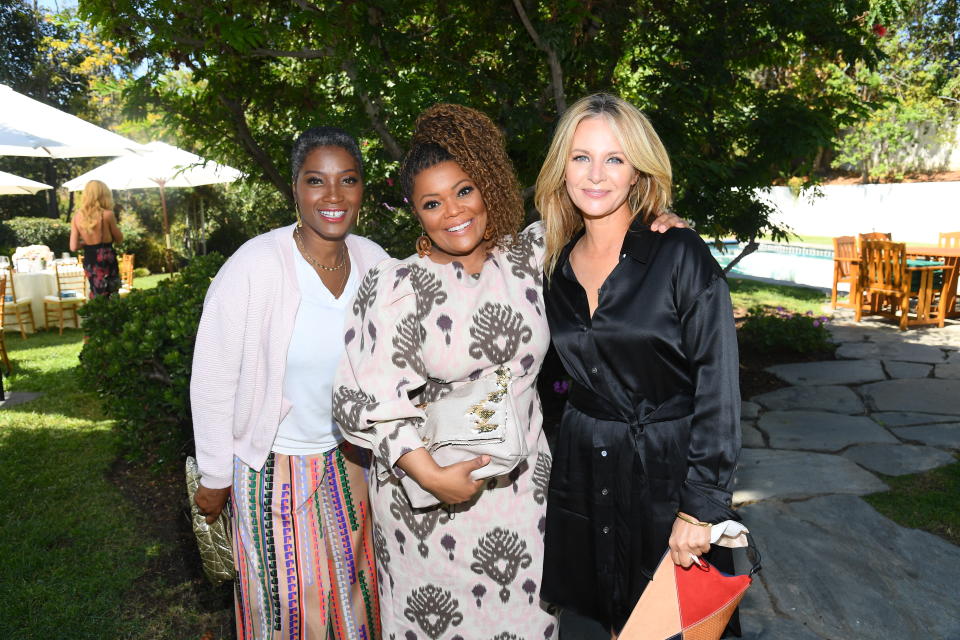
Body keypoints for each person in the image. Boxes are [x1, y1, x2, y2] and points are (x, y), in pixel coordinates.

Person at [332, 104, 685, 638]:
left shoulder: (528, 257)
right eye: (432, 202)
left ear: (488, 186)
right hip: (426, 510)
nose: (453, 212)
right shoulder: (394, 286)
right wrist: (431, 477)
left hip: (524, 499)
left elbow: (602, 204)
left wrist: (663, 226)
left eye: (464, 191)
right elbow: (369, 401)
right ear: (415, 212)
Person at [536, 93, 742, 636]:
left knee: (673, 626)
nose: (596, 174)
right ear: (562, 168)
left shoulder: (678, 254)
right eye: (581, 157)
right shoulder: (553, 264)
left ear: (637, 173)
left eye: (614, 159)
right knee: (590, 623)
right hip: (583, 474)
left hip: (667, 477)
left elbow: (717, 385)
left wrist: (702, 505)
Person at [190, 127, 386, 640]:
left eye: (348, 180)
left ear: (363, 188)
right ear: (295, 189)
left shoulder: (375, 262)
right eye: (316, 180)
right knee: (287, 606)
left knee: (354, 596)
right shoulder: (254, 266)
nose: (334, 196)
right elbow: (212, 377)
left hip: (351, 459)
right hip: (272, 462)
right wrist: (214, 476)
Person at [69, 179, 124, 298]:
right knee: (112, 295)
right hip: (106, 258)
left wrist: (85, 243)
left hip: (90, 259)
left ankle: (97, 315)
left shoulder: (77, 217)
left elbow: (73, 247)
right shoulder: (107, 214)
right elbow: (119, 238)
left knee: (96, 293)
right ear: (104, 195)